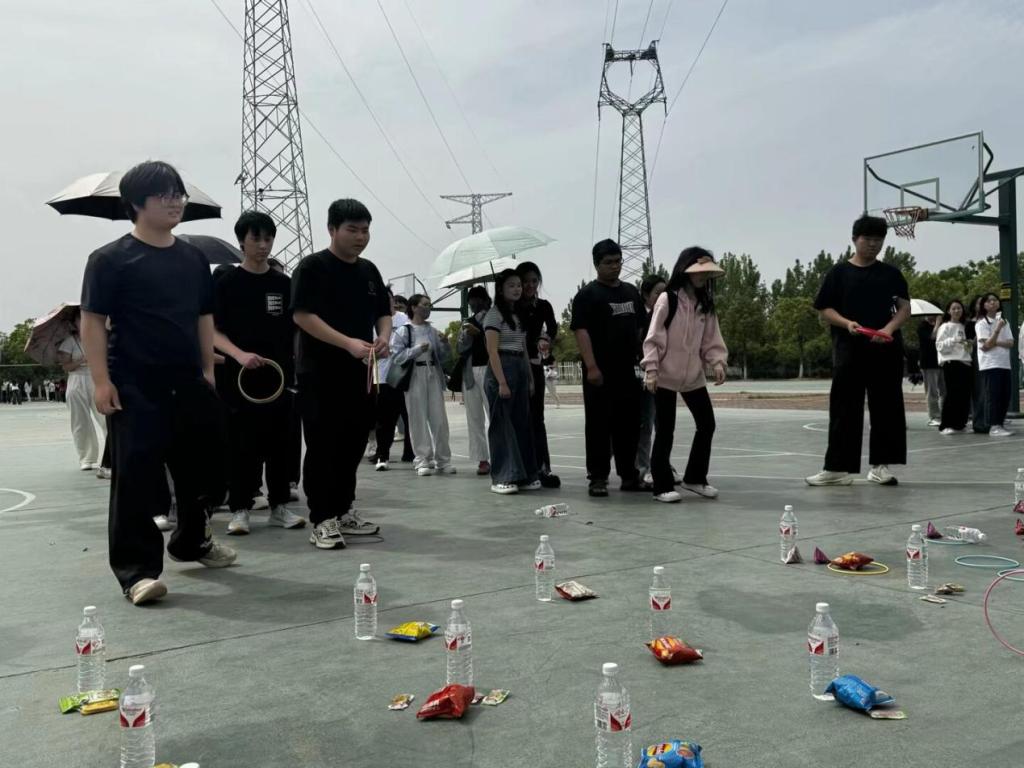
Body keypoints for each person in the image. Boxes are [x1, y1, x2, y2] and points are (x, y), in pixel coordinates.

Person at [79, 160, 237, 606]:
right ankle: (138, 573)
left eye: (178, 194)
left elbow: (203, 316)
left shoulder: (193, 258)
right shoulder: (109, 259)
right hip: (134, 384)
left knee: (204, 470)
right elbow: (92, 321)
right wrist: (101, 381)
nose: (175, 202)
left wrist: (207, 371)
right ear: (135, 203)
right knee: (134, 479)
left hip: (188, 381)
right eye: (163, 194)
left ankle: (192, 541)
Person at [291, 198, 390, 549]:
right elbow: (302, 315)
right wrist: (346, 343)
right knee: (323, 445)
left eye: (365, 230)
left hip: (360, 373)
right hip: (320, 374)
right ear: (332, 229)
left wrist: (384, 337)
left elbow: (383, 312)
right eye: (352, 230)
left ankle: (344, 509)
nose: (360, 237)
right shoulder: (312, 268)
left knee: (353, 443)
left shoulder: (369, 271)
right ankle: (322, 518)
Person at [213, 211, 306, 535]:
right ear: (242, 241)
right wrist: (239, 355)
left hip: (278, 379)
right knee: (242, 446)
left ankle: (279, 507)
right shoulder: (226, 284)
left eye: (268, 238)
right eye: (256, 238)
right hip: (238, 380)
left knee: (280, 445)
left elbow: (299, 327)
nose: (263, 245)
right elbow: (212, 331)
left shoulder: (284, 284)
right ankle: (240, 509)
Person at [806, 214, 911, 487]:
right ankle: (837, 468)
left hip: (885, 349)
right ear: (855, 239)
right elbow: (824, 309)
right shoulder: (838, 273)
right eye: (868, 239)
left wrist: (888, 329)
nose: (873, 244)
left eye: (879, 240)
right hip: (849, 349)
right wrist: (846, 323)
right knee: (844, 407)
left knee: (887, 407)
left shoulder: (891, 274)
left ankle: (880, 466)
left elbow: (905, 308)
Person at [642, 248, 729, 503]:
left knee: (707, 424)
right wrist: (651, 370)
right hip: (664, 376)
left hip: (693, 377)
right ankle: (662, 486)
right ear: (685, 270)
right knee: (665, 430)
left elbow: (711, 338)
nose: (703, 277)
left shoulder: (705, 304)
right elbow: (654, 337)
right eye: (698, 272)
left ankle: (695, 478)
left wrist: (717, 362)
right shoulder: (667, 299)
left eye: (706, 273)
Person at [571, 239, 645, 497]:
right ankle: (598, 478)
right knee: (599, 426)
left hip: (628, 372)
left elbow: (640, 329)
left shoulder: (631, 292)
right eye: (608, 262)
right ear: (596, 264)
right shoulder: (587, 296)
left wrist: (644, 359)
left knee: (629, 425)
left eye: (618, 261)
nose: (615, 266)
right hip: (600, 373)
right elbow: (581, 332)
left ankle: (629, 476)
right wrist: (591, 367)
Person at [484, 269, 539, 494]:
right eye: (511, 285)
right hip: (502, 367)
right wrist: (502, 382)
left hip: (519, 367)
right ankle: (503, 477)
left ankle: (526, 475)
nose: (517, 289)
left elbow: (523, 349)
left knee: (522, 424)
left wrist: (530, 378)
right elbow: (492, 351)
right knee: (502, 424)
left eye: (519, 285)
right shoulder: (494, 315)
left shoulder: (517, 315)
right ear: (500, 289)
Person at [389, 294, 454, 476]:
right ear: (414, 307)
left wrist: (445, 344)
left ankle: (443, 460)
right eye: (425, 304)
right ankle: (422, 459)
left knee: (439, 419)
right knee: (417, 418)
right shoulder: (404, 331)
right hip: (414, 376)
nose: (428, 308)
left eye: (429, 304)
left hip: (432, 374)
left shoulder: (432, 330)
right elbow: (397, 357)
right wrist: (416, 350)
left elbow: (443, 358)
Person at [517, 261, 561, 488]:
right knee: (517, 418)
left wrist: (545, 338)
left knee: (537, 418)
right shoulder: (510, 307)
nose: (530, 285)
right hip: (514, 366)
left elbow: (552, 327)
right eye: (525, 281)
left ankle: (543, 467)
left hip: (534, 365)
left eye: (534, 281)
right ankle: (518, 468)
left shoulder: (543, 306)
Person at [56, 311, 107, 470]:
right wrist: (82, 360)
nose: (83, 321)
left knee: (106, 418)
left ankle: (111, 456)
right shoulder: (69, 342)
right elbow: (66, 367)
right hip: (77, 379)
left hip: (96, 377)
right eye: (80, 319)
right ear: (74, 323)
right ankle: (86, 458)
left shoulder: (99, 337)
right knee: (80, 421)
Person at [373, 292, 414, 471]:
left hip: (403, 376)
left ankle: (411, 453)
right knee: (384, 421)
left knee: (410, 417)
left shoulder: (404, 319)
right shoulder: (373, 321)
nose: (388, 303)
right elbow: (366, 349)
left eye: (389, 299)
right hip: (383, 378)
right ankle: (383, 455)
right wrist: (375, 352)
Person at [456, 285, 492, 476]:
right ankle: (482, 459)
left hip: (490, 369)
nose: (473, 303)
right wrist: (466, 336)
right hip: (470, 372)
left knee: (494, 414)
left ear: (485, 300)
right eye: (471, 299)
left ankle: (500, 454)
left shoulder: (494, 317)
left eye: (477, 299)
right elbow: (460, 349)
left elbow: (498, 343)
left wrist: (480, 333)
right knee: (474, 418)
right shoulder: (466, 322)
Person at [636, 274, 667, 487]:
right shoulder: (642, 320)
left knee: (663, 426)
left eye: (665, 292)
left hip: (666, 378)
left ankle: (661, 464)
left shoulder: (668, 318)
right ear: (646, 295)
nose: (662, 297)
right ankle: (642, 467)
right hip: (646, 377)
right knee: (645, 424)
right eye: (658, 293)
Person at [975, 292, 1014, 437]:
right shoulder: (981, 323)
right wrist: (997, 330)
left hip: (1004, 363)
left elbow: (1010, 343)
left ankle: (1000, 424)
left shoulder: (1004, 322)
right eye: (989, 301)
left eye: (995, 300)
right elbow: (985, 346)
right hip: (990, 364)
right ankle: (993, 426)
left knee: (1004, 395)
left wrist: (994, 342)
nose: (993, 302)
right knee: (993, 395)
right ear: (984, 305)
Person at [935, 299, 972, 434]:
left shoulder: (964, 326)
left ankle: (960, 424)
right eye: (954, 308)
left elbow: (967, 348)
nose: (957, 311)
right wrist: (953, 340)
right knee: (952, 394)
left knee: (964, 395)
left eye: (959, 308)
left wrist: (968, 345)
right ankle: (946, 425)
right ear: (949, 311)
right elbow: (939, 346)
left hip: (965, 363)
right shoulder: (945, 326)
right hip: (951, 363)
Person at [917, 316, 944, 427]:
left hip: (941, 361)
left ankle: (945, 414)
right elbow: (932, 337)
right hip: (929, 363)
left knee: (945, 391)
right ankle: (934, 416)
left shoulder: (942, 325)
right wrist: (937, 324)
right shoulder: (922, 326)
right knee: (932, 391)